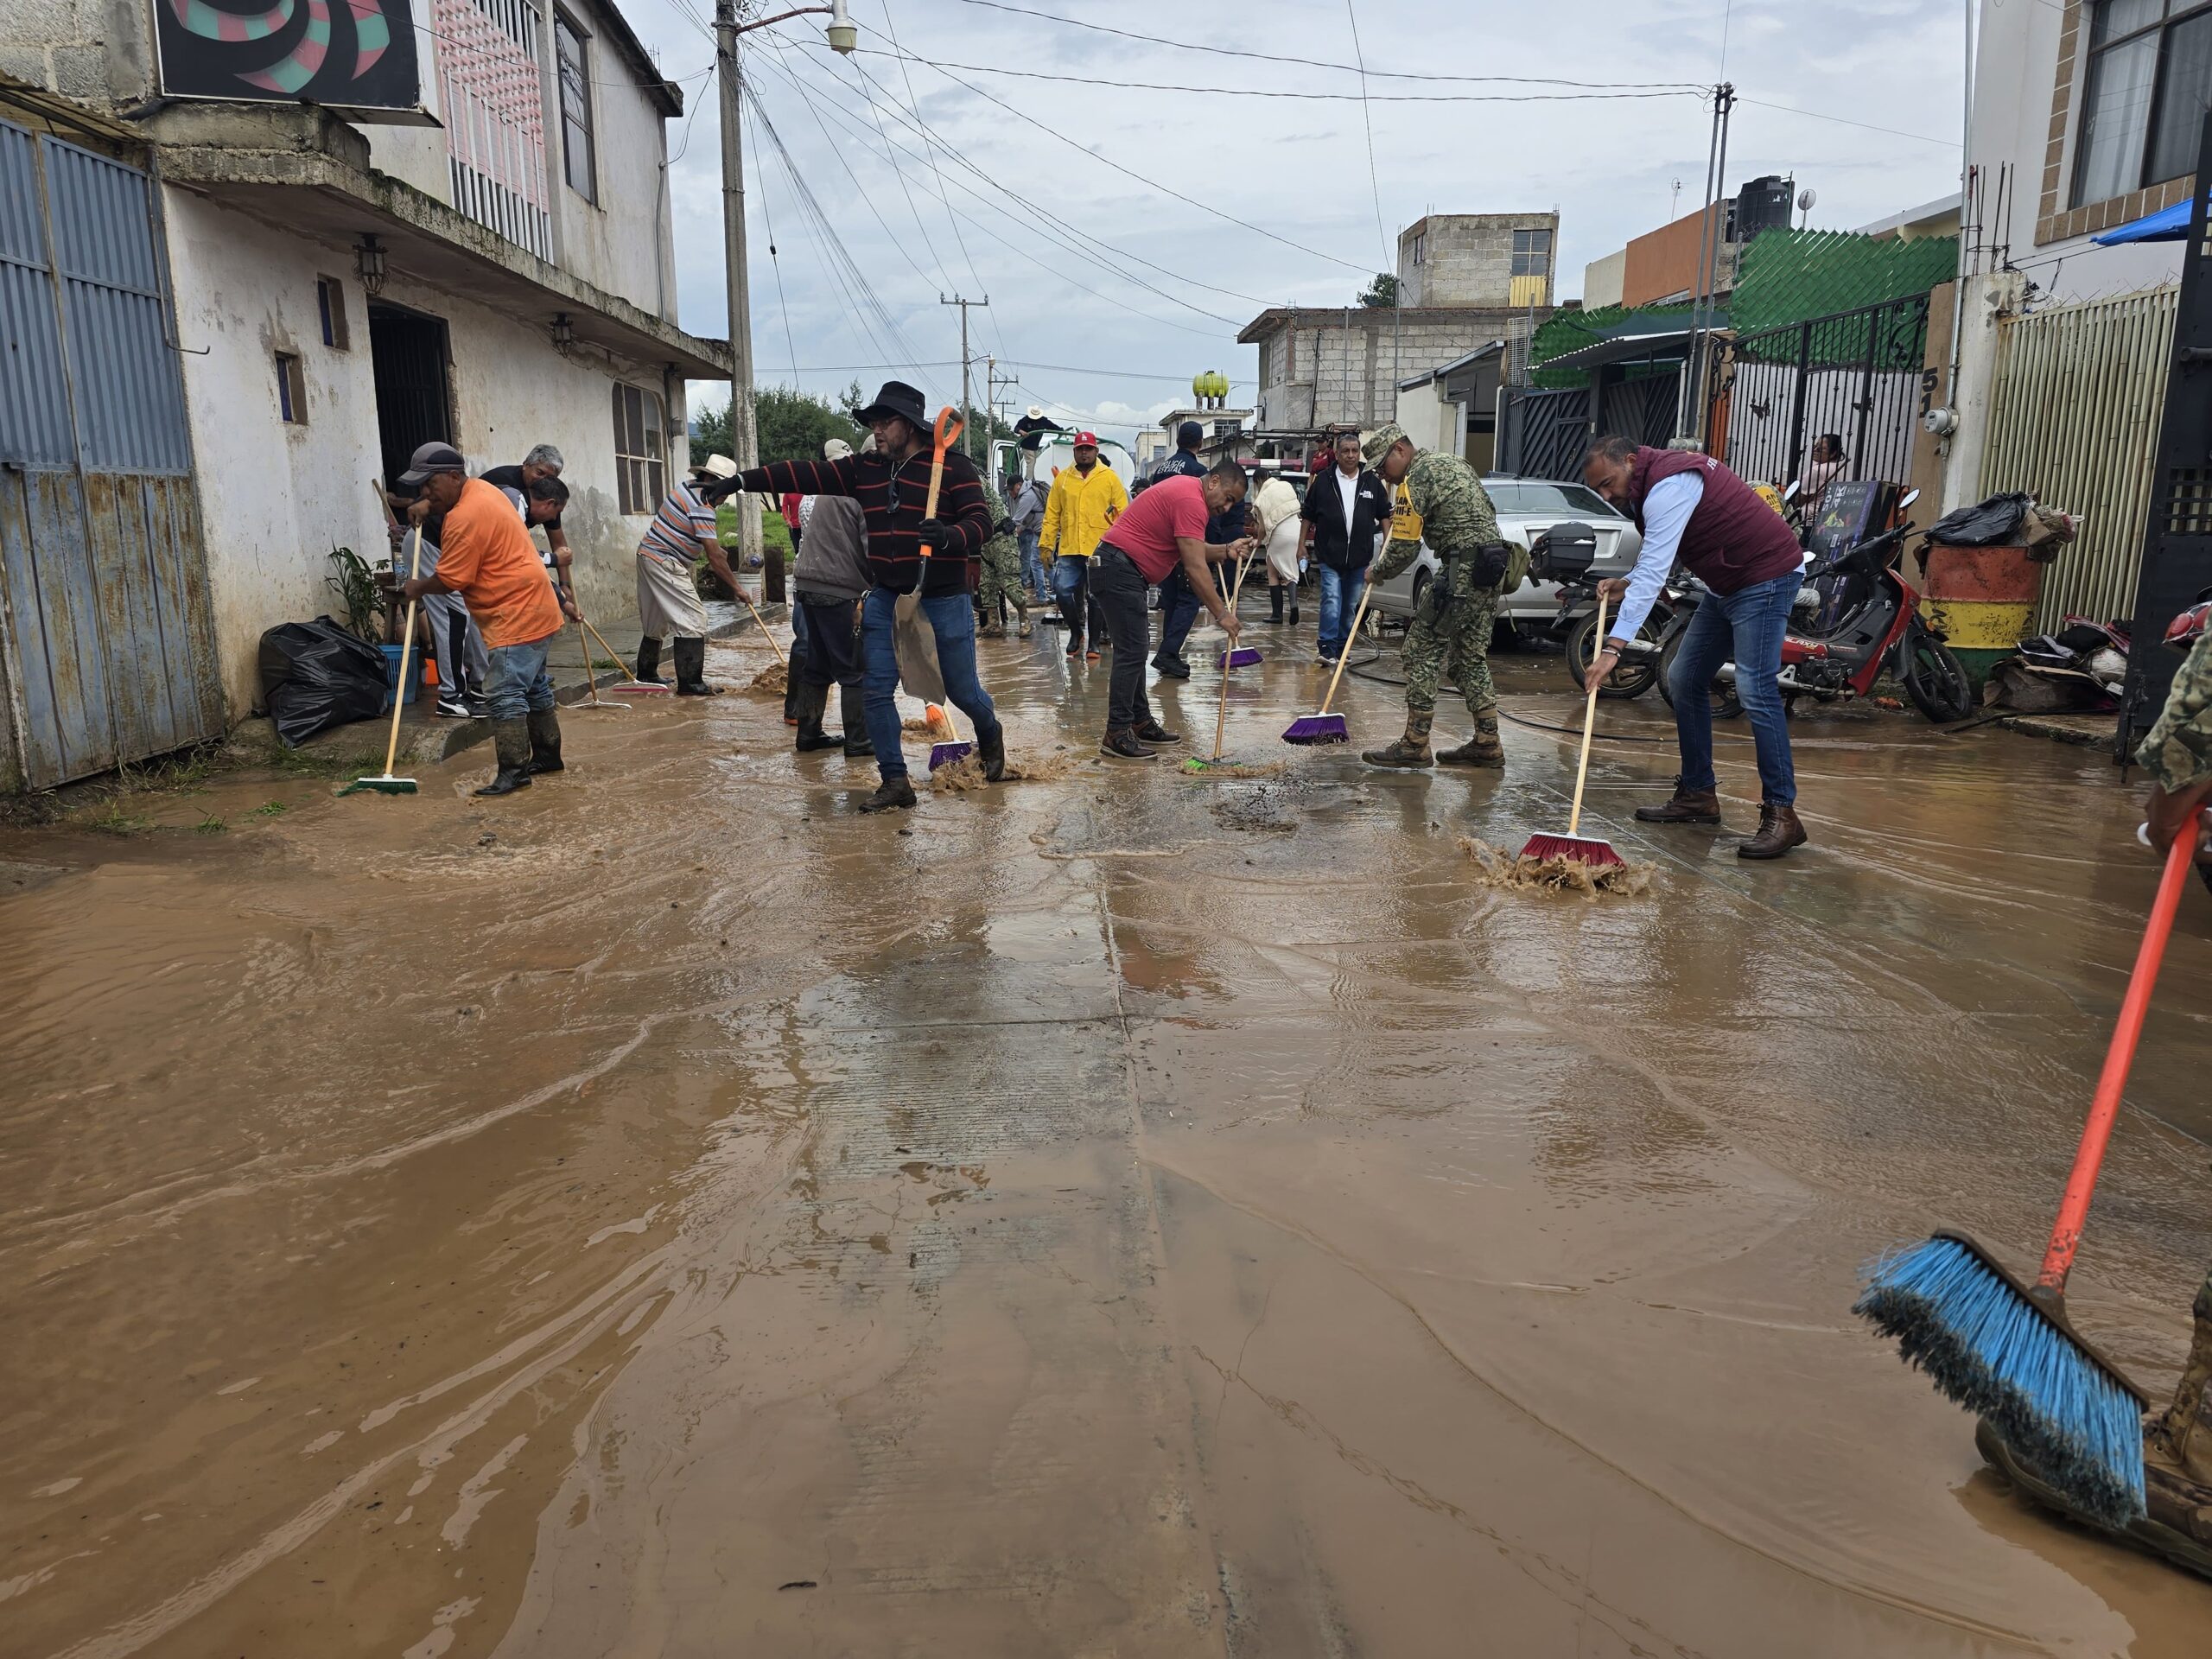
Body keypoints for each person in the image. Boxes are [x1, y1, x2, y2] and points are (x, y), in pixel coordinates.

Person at [706, 380, 1004, 813]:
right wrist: (739, 481)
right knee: (876, 689)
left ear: (912, 425)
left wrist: (949, 535)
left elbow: (982, 522)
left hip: (943, 595)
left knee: (961, 689)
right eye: (873, 423)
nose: (877, 430)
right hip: (886, 593)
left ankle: (990, 733)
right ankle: (895, 781)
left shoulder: (954, 467)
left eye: (886, 422)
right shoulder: (865, 468)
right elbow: (802, 472)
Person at [1580, 434, 1810, 859]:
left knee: (1755, 689)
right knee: (1684, 677)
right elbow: (1658, 558)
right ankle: (1699, 794)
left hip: (1766, 577)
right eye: (1599, 490)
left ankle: (1783, 814)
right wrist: (1626, 582)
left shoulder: (1668, 484)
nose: (1609, 495)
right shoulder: (1654, 482)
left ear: (1631, 461)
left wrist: (1614, 648)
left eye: (1609, 483)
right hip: (1728, 582)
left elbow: (1654, 571)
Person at [397, 442, 565, 797]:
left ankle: (515, 771)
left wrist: (417, 587)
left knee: (504, 693)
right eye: (421, 487)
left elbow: (452, 580)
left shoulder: (463, 518)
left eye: (429, 485)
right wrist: (429, 503)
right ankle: (548, 756)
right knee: (534, 687)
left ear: (454, 476)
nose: (424, 492)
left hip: (516, 615)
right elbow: (449, 500)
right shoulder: (482, 490)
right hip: (538, 607)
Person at [1360, 423, 1510, 771]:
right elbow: (1487, 510)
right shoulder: (1455, 462)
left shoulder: (1414, 481)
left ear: (1400, 450)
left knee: (1420, 650)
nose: (1385, 476)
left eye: (1383, 467)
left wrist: (1377, 572)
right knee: (1468, 658)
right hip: (1492, 566)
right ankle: (1488, 742)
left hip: (1460, 573)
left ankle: (1415, 743)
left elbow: (1404, 548)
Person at [1090, 461, 1253, 759]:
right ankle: (1117, 731)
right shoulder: (1192, 500)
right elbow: (1194, 566)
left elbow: (1190, 547)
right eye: (1229, 498)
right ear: (1214, 481)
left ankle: (1139, 722)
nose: (1228, 508)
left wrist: (1225, 549)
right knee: (1133, 652)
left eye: (1234, 503)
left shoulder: (1189, 493)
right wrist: (1222, 614)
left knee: (1135, 650)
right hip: (1118, 570)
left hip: (1118, 569)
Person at [788, 437, 874, 758]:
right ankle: (859, 740)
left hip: (806, 585)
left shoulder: (830, 489)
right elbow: (872, 550)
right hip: (838, 589)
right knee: (854, 669)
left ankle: (808, 733)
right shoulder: (864, 493)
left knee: (818, 665)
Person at [631, 455, 742, 696]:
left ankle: (647, 675)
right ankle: (691, 684)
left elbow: (703, 541)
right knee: (693, 620)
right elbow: (714, 557)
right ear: (712, 481)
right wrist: (738, 588)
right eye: (725, 490)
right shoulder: (703, 505)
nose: (724, 498)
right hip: (664, 561)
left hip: (648, 555)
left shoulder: (686, 488)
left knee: (655, 621)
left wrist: (715, 551)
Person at [1300, 431, 1389, 664]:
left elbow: (1384, 515)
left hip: (1359, 557)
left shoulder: (1371, 481)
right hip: (1330, 554)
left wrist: (1387, 546)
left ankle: (1341, 648)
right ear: (1336, 454)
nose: (1351, 455)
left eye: (1354, 451)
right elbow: (1308, 515)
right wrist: (1301, 546)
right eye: (1345, 451)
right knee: (1331, 599)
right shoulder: (1324, 481)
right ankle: (1326, 648)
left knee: (1350, 606)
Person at [1040, 431, 1127, 661]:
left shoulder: (1109, 478)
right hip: (1069, 548)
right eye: (1080, 449)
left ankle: (1095, 642)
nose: (1085, 452)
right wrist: (1046, 546)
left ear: (1096, 451)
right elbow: (1051, 515)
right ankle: (1077, 632)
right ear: (1075, 452)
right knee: (1061, 590)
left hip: (1099, 549)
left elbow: (1123, 514)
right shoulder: (1063, 480)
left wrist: (1120, 547)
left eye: (1089, 449)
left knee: (1096, 596)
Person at [478, 444, 574, 594]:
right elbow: (521, 552)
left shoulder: (549, 495)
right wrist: (554, 560)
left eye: (550, 478)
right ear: (526, 465)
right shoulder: (508, 491)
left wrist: (564, 585)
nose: (542, 481)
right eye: (540, 472)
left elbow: (558, 542)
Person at [977, 507, 1032, 639]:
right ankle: (993, 623)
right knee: (986, 583)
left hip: (1002, 537)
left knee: (1010, 583)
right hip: (986, 540)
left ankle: (1025, 621)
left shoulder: (980, 487)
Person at [1005, 467, 1049, 602]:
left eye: (1011, 490)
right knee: (1046, 564)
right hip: (1038, 530)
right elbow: (1025, 520)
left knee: (1035, 563)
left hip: (1042, 531)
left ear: (1018, 486)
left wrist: (1002, 534)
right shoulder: (1026, 493)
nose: (1010, 493)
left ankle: (1042, 596)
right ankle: (1052, 594)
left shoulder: (1027, 497)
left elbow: (1016, 520)